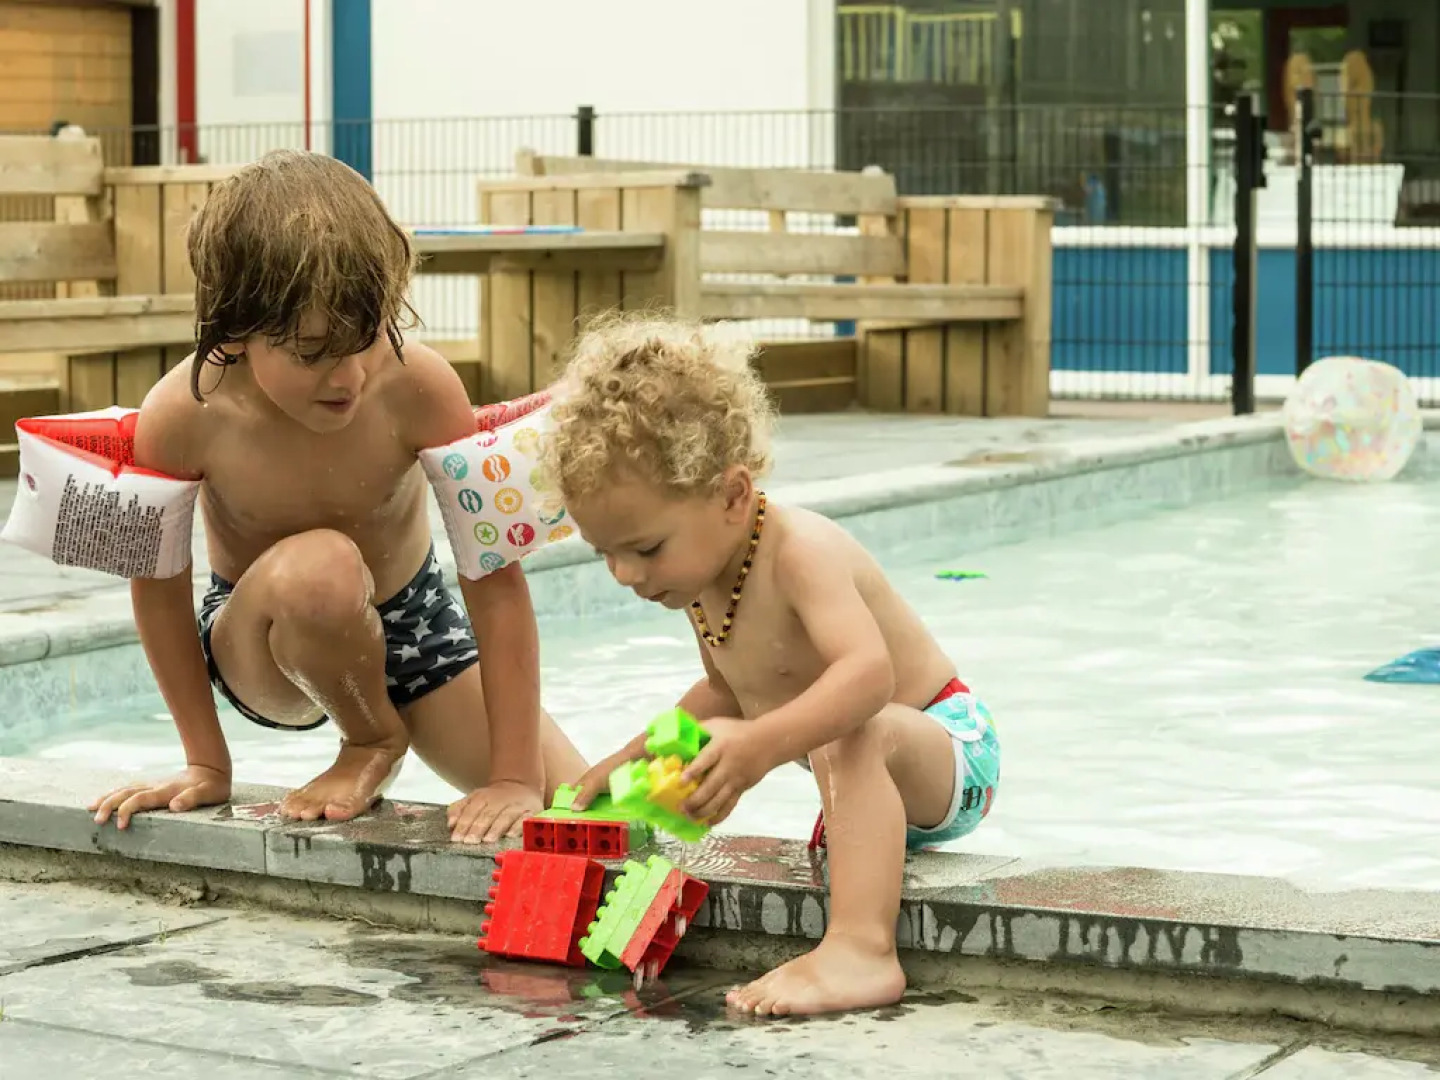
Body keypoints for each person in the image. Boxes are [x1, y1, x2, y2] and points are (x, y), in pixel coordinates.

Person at [87, 150, 585, 842]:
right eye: (313, 351)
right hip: (265, 639)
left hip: (414, 624)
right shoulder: (183, 415)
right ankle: (370, 739)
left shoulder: (420, 388)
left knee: (591, 816)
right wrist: (206, 760)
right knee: (321, 568)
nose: (348, 377)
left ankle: (401, 730)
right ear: (236, 330)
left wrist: (513, 777)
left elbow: (494, 578)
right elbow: (157, 590)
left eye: (367, 338)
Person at [541, 313, 1001, 1017]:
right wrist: (624, 766)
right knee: (834, 737)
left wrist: (758, 746)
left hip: (950, 747)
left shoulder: (799, 551)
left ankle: (861, 951)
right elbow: (725, 691)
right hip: (862, 778)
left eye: (646, 547)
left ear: (731, 495)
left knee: (848, 726)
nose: (625, 574)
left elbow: (868, 677)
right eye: (604, 552)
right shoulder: (699, 580)